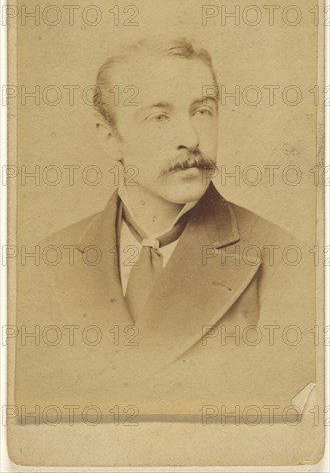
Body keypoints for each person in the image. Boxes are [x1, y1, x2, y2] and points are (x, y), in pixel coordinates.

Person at [15, 38, 316, 421]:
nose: (191, 138)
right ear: (110, 138)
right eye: (159, 116)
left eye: (203, 111)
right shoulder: (47, 263)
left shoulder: (283, 258)